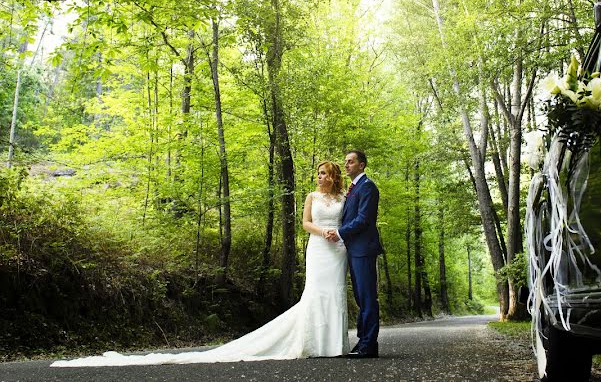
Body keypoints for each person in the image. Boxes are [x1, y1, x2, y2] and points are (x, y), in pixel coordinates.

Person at [51, 161, 350, 367]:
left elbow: (348, 220)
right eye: (318, 173)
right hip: (318, 248)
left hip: (337, 251)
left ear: (334, 176)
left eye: (324, 173)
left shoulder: (343, 196)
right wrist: (323, 231)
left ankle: (335, 345)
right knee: (314, 293)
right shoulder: (311, 196)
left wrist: (338, 230)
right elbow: (304, 224)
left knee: (334, 293)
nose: (320, 177)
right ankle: (312, 343)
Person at [324, 150, 382, 358]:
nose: (346, 165)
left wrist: (339, 233)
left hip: (364, 249)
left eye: (351, 161)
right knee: (360, 297)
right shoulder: (353, 188)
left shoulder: (368, 187)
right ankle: (363, 342)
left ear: (362, 165)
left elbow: (363, 219)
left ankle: (369, 344)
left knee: (367, 297)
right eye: (346, 161)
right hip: (354, 249)